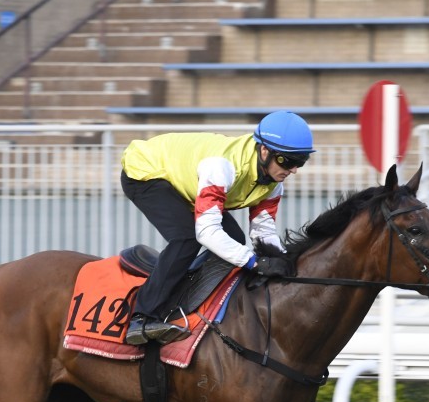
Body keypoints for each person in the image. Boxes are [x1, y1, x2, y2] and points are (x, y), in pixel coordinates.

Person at [120, 110, 314, 345]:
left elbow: (263, 233)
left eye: (300, 162)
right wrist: (253, 262)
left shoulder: (273, 184)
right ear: (264, 150)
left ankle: (186, 294)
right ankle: (141, 317)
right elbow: (207, 232)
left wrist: (285, 263)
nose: (293, 169)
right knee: (187, 238)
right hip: (146, 171)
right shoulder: (222, 167)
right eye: (288, 161)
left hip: (187, 182)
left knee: (234, 236)